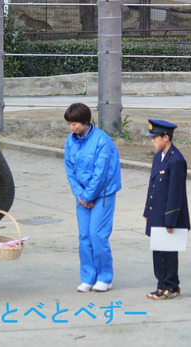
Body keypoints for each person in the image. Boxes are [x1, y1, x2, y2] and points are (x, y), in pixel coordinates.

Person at [63, 103, 122, 293]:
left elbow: (101, 173)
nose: (72, 128)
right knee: (84, 237)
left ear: (86, 121)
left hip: (103, 194)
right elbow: (70, 170)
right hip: (82, 197)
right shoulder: (70, 141)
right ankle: (88, 277)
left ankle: (105, 277)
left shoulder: (102, 141)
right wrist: (80, 195)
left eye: (75, 124)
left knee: (98, 235)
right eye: (70, 124)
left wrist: (88, 195)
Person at [144, 119, 190, 300]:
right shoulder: (158, 157)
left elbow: (176, 192)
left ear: (166, 137)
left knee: (168, 253)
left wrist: (171, 219)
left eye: (155, 137)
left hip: (169, 214)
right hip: (156, 211)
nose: (153, 141)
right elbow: (152, 186)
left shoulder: (176, 160)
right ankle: (161, 285)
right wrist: (147, 211)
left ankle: (171, 286)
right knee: (158, 250)